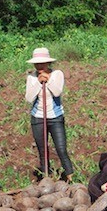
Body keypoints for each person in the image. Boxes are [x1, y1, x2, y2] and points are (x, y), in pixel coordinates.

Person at [24, 47, 75, 180]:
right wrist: (39, 83)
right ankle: (46, 178)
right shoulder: (31, 77)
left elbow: (57, 92)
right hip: (38, 118)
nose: (39, 66)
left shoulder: (58, 74)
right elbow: (29, 98)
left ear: (48, 63)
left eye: (42, 63)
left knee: (61, 148)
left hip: (55, 117)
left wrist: (48, 80)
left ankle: (71, 177)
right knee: (43, 151)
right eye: (37, 63)